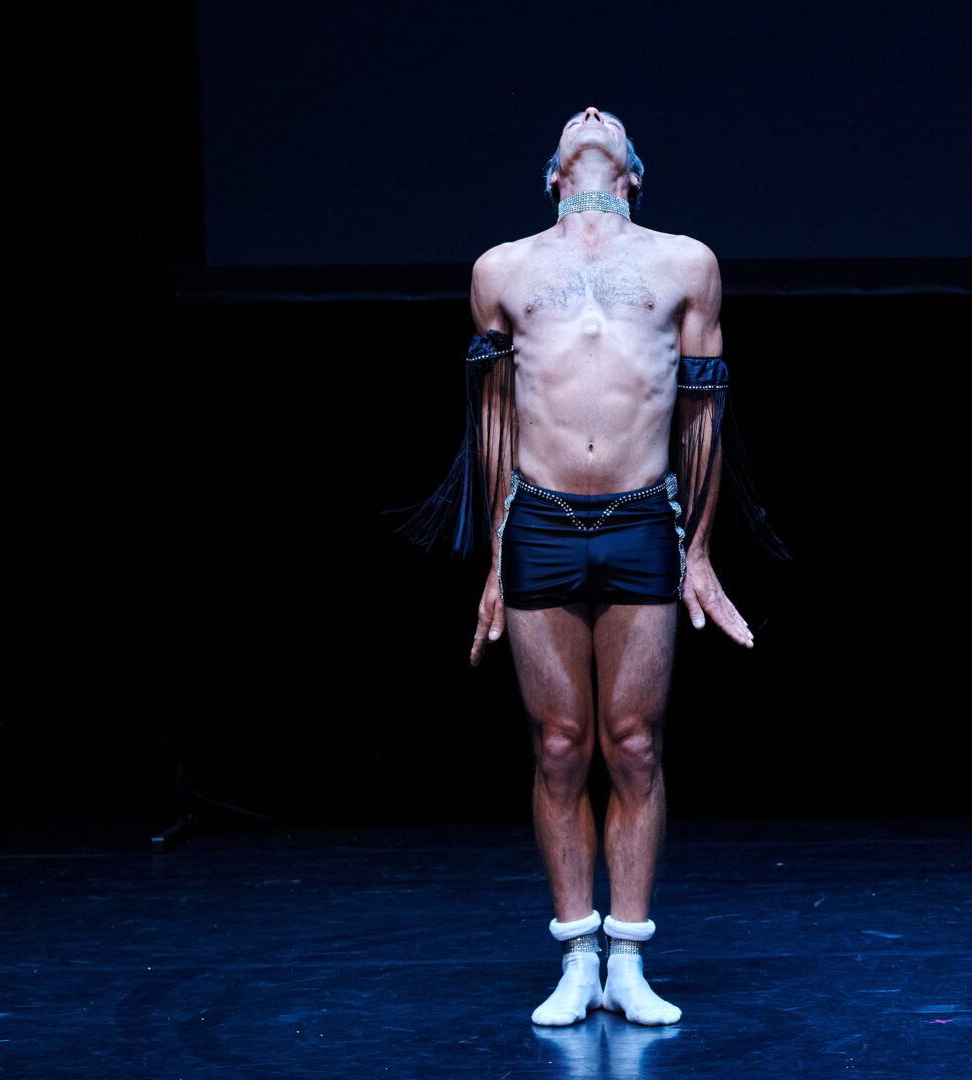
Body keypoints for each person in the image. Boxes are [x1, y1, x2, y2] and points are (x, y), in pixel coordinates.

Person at [401, 106, 784, 1027]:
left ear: (633, 176)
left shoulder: (684, 262)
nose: (590, 111)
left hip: (642, 519)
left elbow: (704, 414)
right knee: (560, 744)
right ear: (554, 176)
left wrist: (698, 549)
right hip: (539, 521)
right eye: (576, 120)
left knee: (635, 742)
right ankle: (577, 955)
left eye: (607, 119)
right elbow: (494, 417)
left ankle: (631, 960)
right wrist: (495, 556)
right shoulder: (503, 268)